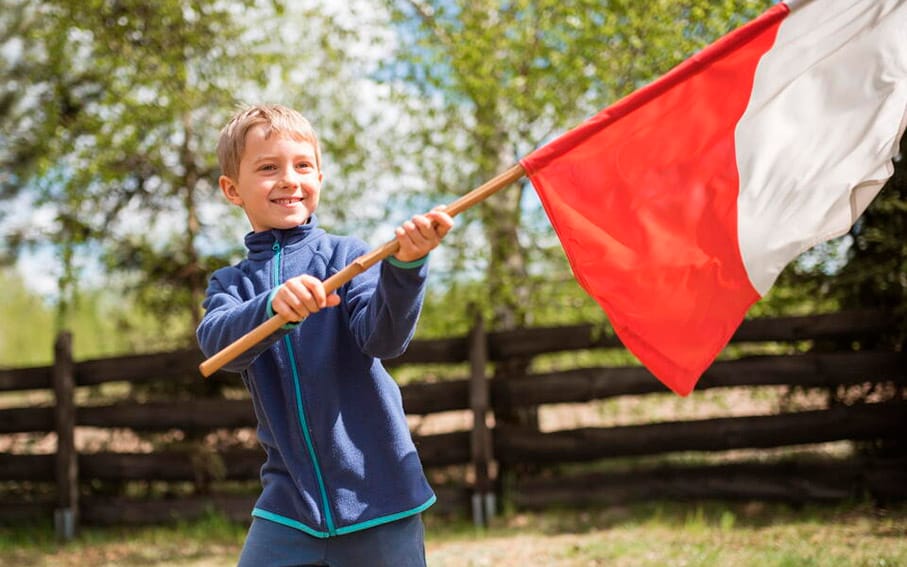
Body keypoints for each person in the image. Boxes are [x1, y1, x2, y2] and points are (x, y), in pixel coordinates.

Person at [196, 104, 453, 566]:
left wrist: (406, 269)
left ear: (319, 177)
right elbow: (219, 347)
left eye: (302, 166)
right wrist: (271, 307)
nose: (289, 179)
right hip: (289, 506)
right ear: (232, 189)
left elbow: (384, 339)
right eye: (268, 168)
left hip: (380, 496)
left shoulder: (349, 257)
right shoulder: (231, 285)